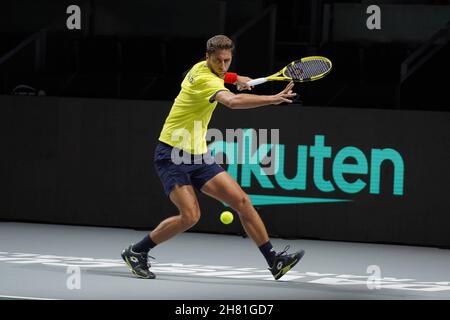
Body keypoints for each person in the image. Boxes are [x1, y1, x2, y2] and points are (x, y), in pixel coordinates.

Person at [121, 35, 305, 280]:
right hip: (172, 154)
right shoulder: (205, 80)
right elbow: (232, 101)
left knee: (242, 202)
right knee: (190, 216)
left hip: (198, 155)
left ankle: (275, 262)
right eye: (218, 61)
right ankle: (137, 251)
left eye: (227, 61)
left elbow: (222, 76)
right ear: (207, 57)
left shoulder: (202, 68)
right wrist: (272, 99)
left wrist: (235, 77)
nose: (223, 66)